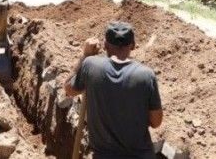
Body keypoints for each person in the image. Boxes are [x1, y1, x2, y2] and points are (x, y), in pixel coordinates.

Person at [64, 21, 163, 159]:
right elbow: (156, 122)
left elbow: (69, 89)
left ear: (105, 45)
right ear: (133, 45)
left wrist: (85, 56)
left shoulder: (91, 65)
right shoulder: (146, 75)